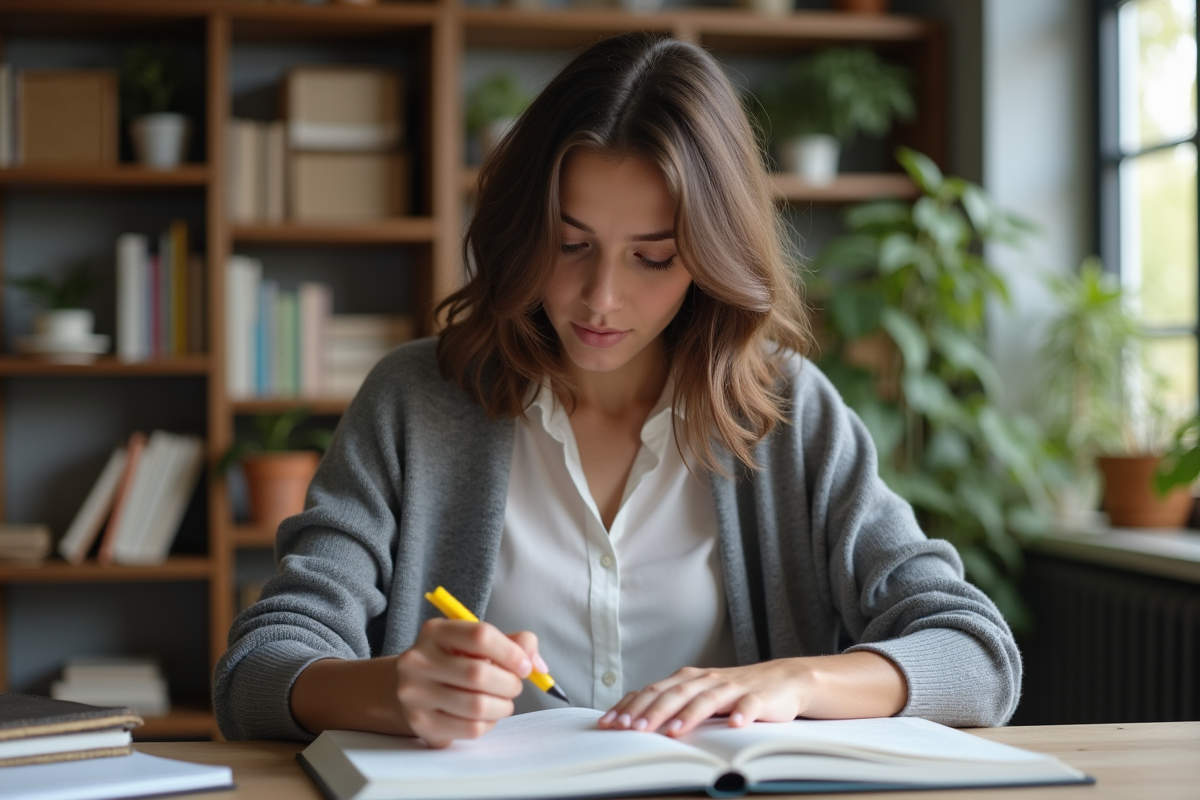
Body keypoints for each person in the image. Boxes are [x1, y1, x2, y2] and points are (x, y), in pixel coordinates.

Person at [213, 33, 1020, 748]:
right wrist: (389, 692)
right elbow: (257, 669)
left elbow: (976, 653)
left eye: (653, 257)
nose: (600, 298)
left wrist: (795, 683)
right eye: (570, 244)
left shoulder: (786, 411)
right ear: (524, 232)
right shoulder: (415, 400)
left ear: (710, 256)